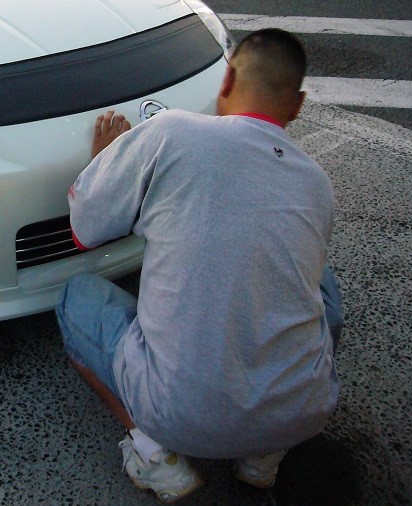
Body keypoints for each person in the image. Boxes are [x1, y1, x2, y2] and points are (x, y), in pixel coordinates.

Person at [56, 28, 344, 502]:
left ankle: (156, 455)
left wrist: (106, 162)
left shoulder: (171, 132)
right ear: (297, 106)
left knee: (76, 298)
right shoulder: (317, 181)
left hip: (179, 416)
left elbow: (85, 230)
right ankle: (263, 455)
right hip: (303, 414)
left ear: (226, 80)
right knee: (322, 284)